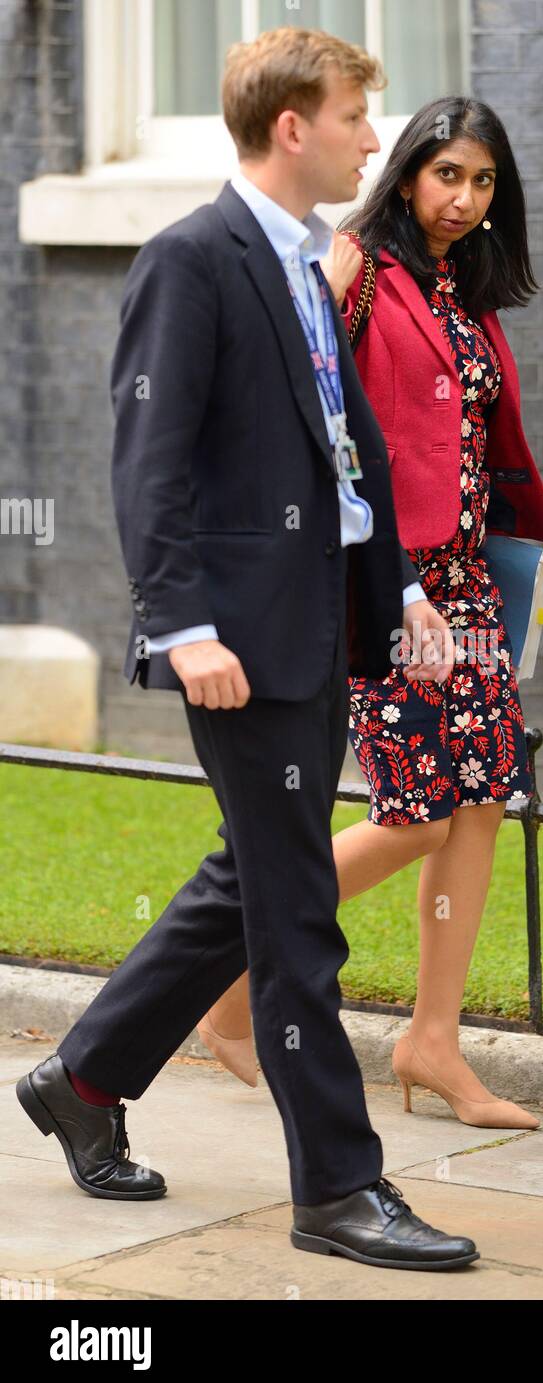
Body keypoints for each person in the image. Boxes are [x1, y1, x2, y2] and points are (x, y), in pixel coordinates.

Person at [15, 27, 481, 1273]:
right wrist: (181, 622)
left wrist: (391, 601)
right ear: (292, 127)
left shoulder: (309, 263)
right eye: (352, 117)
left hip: (313, 621)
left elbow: (339, 449)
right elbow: (148, 460)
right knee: (297, 916)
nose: (371, 141)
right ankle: (336, 1186)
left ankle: (86, 1075)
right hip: (237, 640)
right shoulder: (193, 259)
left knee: (252, 880)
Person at [194, 95, 543, 1130]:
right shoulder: (354, 268)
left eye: (482, 181)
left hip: (470, 585)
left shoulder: (466, 292)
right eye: (445, 174)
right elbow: (305, 405)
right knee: (416, 813)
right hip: (381, 584)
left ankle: (432, 1040)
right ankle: (223, 991)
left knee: (485, 792)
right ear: (404, 175)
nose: (462, 197)